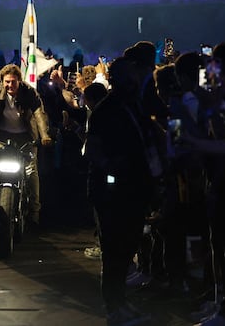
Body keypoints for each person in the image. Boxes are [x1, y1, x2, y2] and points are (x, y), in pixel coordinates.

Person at [82, 55, 155, 326]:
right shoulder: (106, 110)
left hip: (134, 188)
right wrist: (113, 167)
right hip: (111, 192)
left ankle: (122, 302)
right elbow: (91, 150)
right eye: (130, 77)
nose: (135, 81)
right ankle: (114, 308)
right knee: (114, 251)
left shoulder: (134, 106)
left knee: (126, 249)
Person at [0, 63, 53, 227]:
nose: (10, 85)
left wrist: (44, 135)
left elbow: (39, 113)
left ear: (19, 81)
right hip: (1, 137)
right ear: (2, 81)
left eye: (13, 82)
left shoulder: (29, 92)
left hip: (26, 138)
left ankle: (34, 211)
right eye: (7, 82)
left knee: (31, 172)